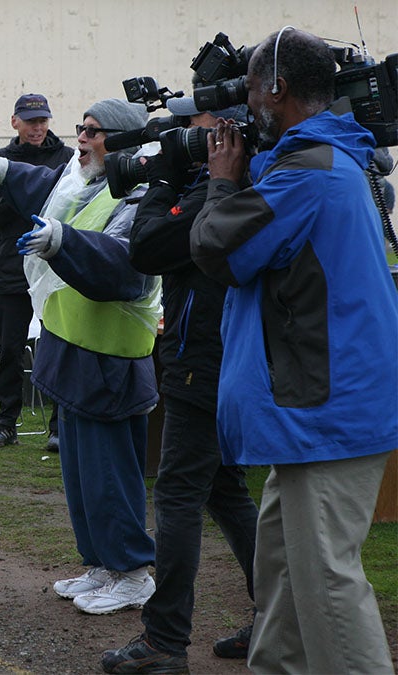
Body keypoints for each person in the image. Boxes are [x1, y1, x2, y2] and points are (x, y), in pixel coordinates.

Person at [190, 28, 398, 674]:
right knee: (281, 581)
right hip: (318, 413)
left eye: (249, 88)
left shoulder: (308, 174)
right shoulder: (329, 157)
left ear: (276, 88)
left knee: (328, 587)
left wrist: (222, 182)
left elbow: (220, 248)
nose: (242, 105)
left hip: (326, 415)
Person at [0, 98, 160, 615]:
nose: (81, 140)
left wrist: (61, 242)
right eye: (81, 129)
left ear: (122, 142)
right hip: (70, 345)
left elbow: (124, 266)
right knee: (80, 472)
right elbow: (47, 189)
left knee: (110, 471)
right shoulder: (84, 178)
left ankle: (132, 571)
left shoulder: (142, 195)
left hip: (109, 356)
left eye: (92, 132)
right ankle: (101, 562)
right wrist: (0, 170)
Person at [99, 102, 260, 673]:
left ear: (227, 132)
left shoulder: (218, 187)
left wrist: (168, 173)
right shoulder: (233, 180)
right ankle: (275, 615)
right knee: (223, 489)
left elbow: (147, 247)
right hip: (222, 354)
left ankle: (164, 642)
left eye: (191, 128)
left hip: (203, 358)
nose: (181, 138)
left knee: (177, 495)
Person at [0, 93, 71, 450]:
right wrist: (16, 195)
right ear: (15, 122)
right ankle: (6, 423)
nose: (37, 128)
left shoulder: (67, 159)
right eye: (30, 122)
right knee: (10, 348)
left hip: (56, 268)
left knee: (57, 344)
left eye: (42, 121)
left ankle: (59, 426)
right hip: (12, 268)